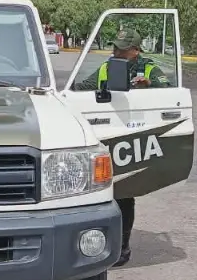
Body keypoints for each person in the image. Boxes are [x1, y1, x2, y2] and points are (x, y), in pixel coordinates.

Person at [73, 28, 170, 266]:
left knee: (125, 193)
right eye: (115, 47)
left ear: (136, 50)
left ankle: (122, 250)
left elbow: (169, 93)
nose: (116, 52)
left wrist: (149, 87)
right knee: (100, 193)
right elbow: (82, 87)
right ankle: (95, 246)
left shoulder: (149, 69)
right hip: (105, 134)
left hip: (133, 136)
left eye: (122, 49)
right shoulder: (107, 68)